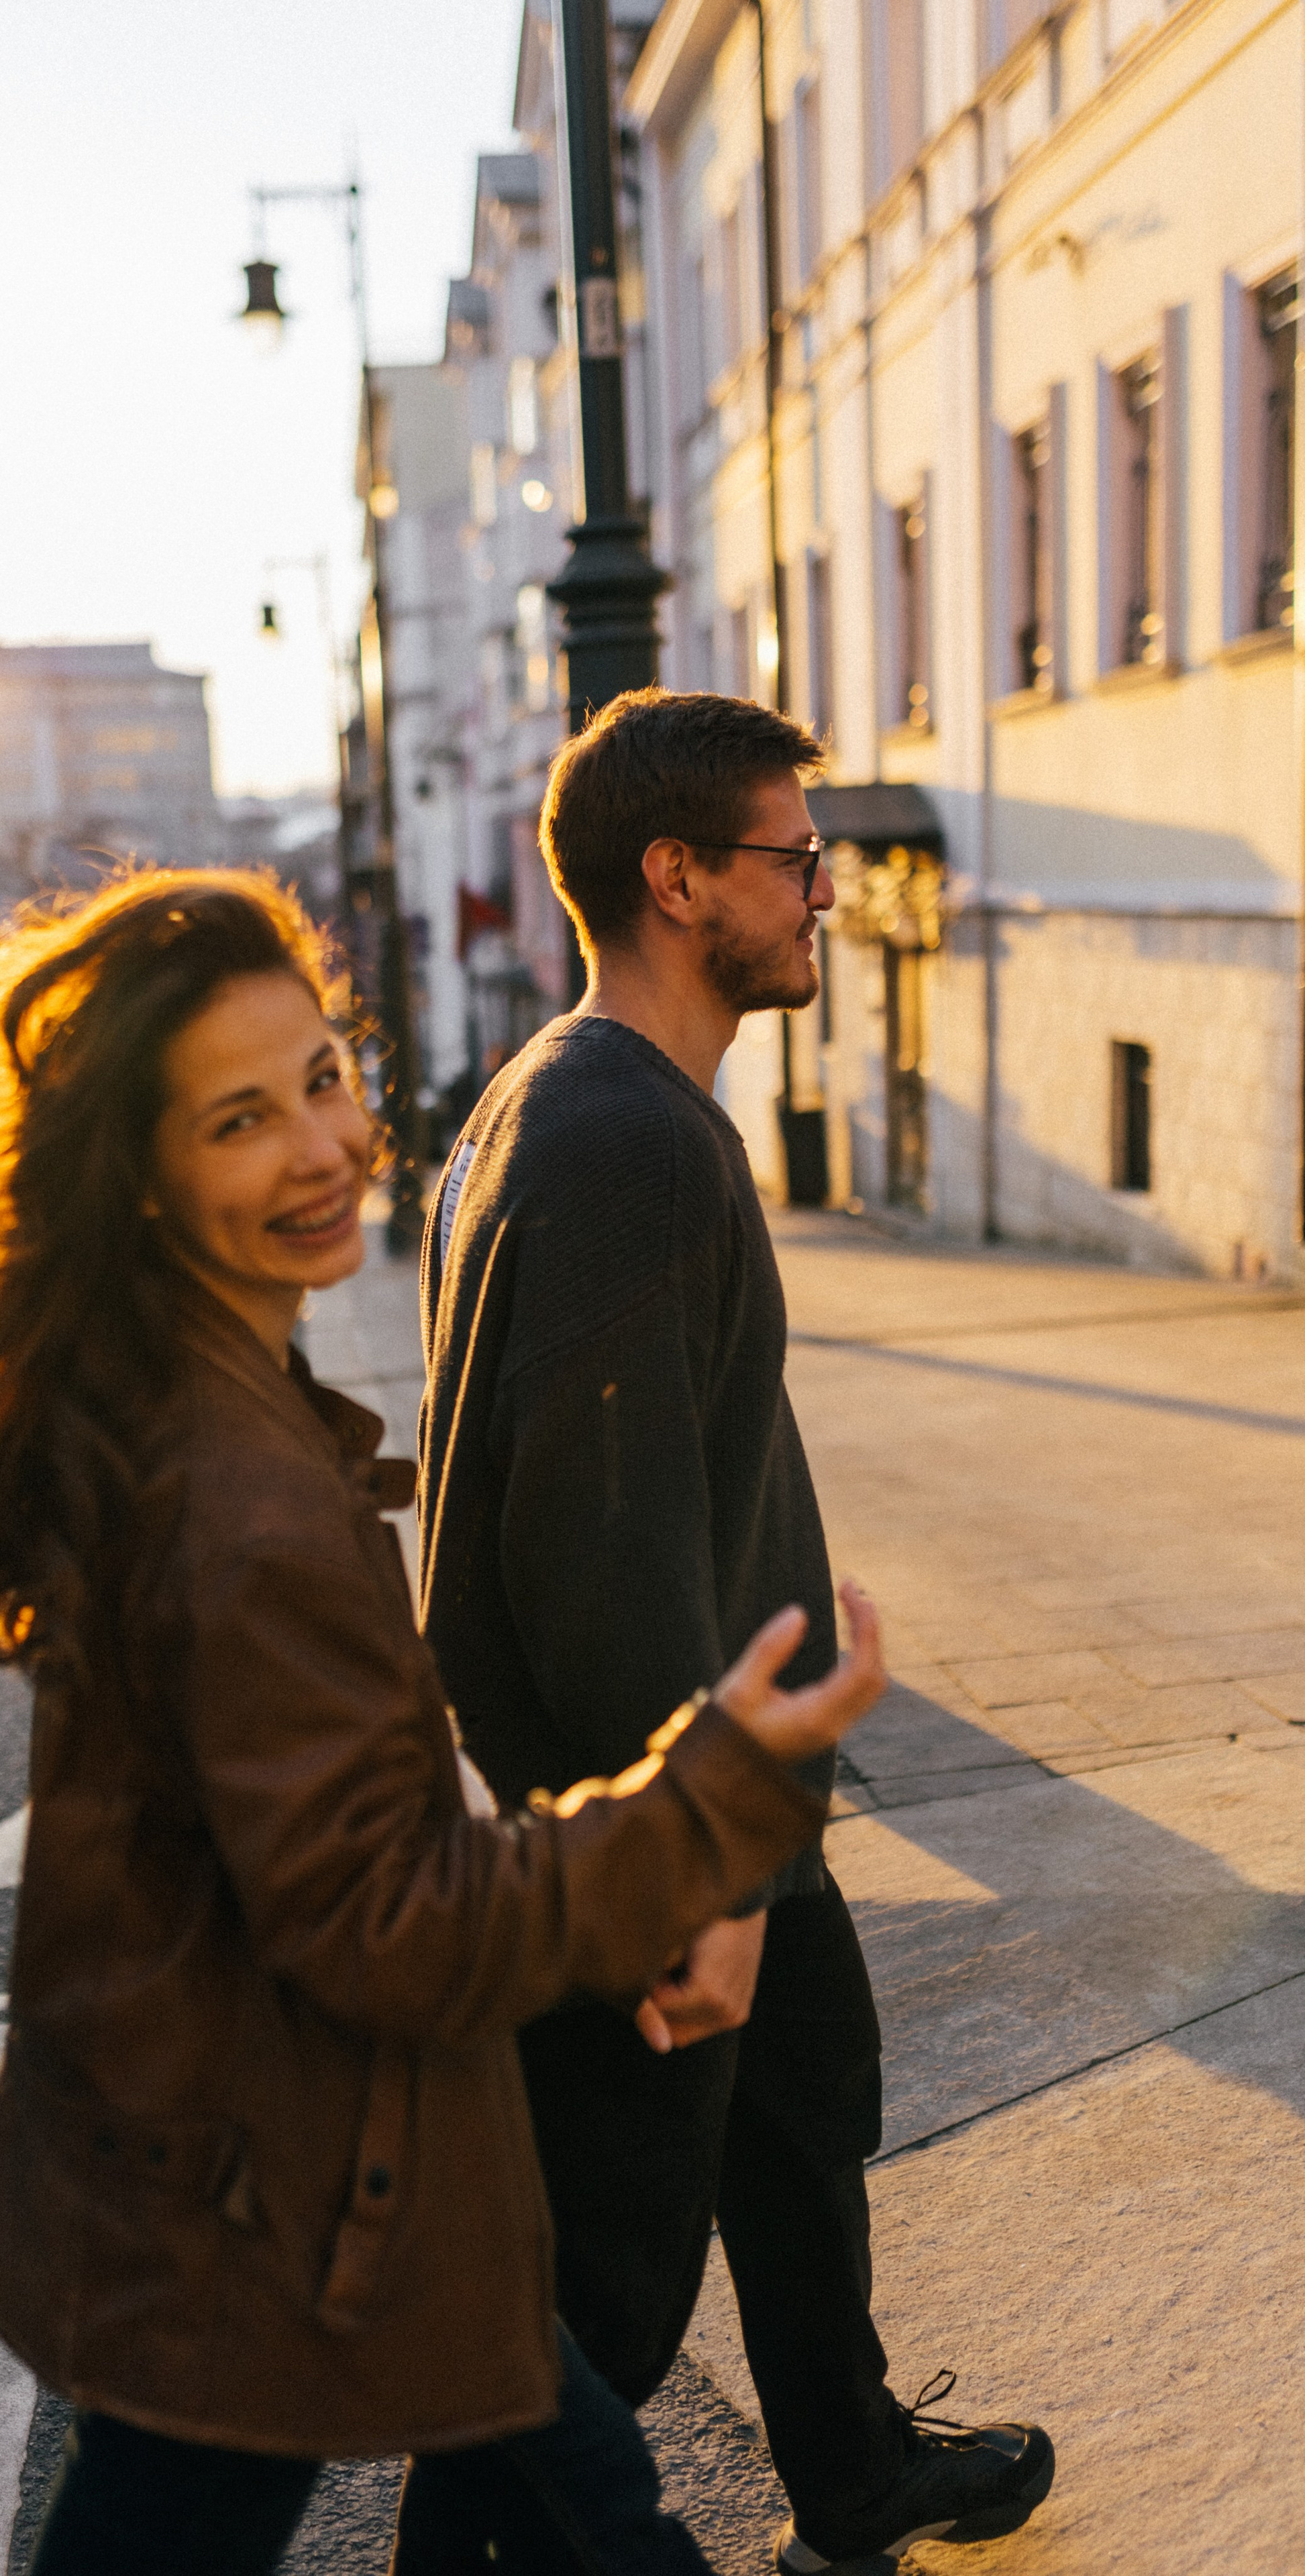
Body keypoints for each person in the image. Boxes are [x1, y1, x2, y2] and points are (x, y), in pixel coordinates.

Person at [0, 867, 890, 2576]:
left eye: (323, 1079)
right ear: (140, 1174)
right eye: (239, 1120)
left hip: (284, 2149)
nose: (323, 1148)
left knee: (577, 2486)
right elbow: (395, 1922)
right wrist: (705, 1811)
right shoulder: (233, 1500)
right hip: (263, 2194)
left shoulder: (210, 1396)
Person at [414, 691, 1055, 2576]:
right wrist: (690, 1874)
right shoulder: (621, 1136)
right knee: (601, 2298)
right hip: (654, 1815)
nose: (824, 892)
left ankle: (848, 2473)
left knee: (800, 2108)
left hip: (722, 1783)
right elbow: (596, 1545)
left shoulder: (575, 1099)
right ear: (677, 878)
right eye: (793, 858)